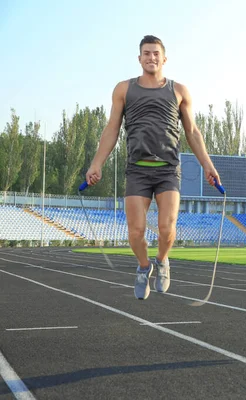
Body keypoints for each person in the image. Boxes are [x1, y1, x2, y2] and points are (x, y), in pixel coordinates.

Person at [85, 35, 221, 300]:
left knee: (166, 227)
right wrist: (96, 164)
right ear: (139, 58)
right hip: (137, 169)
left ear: (164, 58)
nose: (151, 58)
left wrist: (208, 165)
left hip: (168, 169)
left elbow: (192, 131)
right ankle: (144, 266)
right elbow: (112, 129)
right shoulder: (124, 89)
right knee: (135, 231)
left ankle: (162, 261)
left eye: (156, 53)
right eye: (146, 53)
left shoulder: (179, 91)